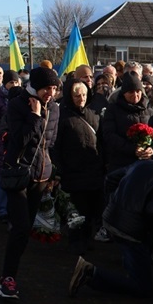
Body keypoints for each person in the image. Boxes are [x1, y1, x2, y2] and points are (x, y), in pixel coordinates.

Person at [69, 155, 153, 298]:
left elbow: (110, 179)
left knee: (135, 263)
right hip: (131, 231)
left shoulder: (145, 164)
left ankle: (120, 271)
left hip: (112, 219)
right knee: (142, 287)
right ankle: (90, 273)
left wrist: (114, 203)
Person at [0, 66, 60, 301]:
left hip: (41, 175)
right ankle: (7, 278)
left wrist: (53, 172)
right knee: (20, 227)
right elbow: (19, 140)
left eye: (54, 89)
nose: (50, 93)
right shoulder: (17, 104)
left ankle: (13, 271)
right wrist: (34, 116)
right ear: (35, 86)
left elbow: (51, 142)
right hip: (17, 174)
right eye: (46, 88)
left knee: (25, 229)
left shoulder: (54, 108)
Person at [51, 80, 106, 257]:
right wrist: (58, 169)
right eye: (77, 96)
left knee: (91, 209)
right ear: (70, 97)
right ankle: (75, 241)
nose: (81, 98)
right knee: (76, 210)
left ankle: (87, 239)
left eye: (83, 95)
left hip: (93, 170)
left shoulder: (93, 114)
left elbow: (102, 140)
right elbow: (55, 145)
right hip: (72, 171)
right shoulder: (62, 116)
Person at [100, 72, 153, 172]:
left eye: (138, 91)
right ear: (124, 93)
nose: (135, 95)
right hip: (121, 164)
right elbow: (109, 135)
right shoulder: (113, 110)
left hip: (146, 164)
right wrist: (132, 149)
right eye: (131, 92)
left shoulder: (149, 109)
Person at [0, 70, 22, 220]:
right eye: (11, 82)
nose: (14, 85)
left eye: (16, 82)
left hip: (17, 144)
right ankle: (3, 211)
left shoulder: (22, 97)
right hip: (0, 144)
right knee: (1, 179)